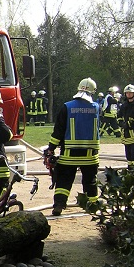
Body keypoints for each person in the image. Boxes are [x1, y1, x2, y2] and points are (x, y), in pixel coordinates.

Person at [45, 78, 100, 216]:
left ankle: (59, 205)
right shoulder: (96, 108)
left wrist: (51, 148)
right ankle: (93, 205)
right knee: (90, 181)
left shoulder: (67, 107)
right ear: (93, 91)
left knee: (64, 180)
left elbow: (58, 131)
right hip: (90, 155)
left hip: (69, 155)